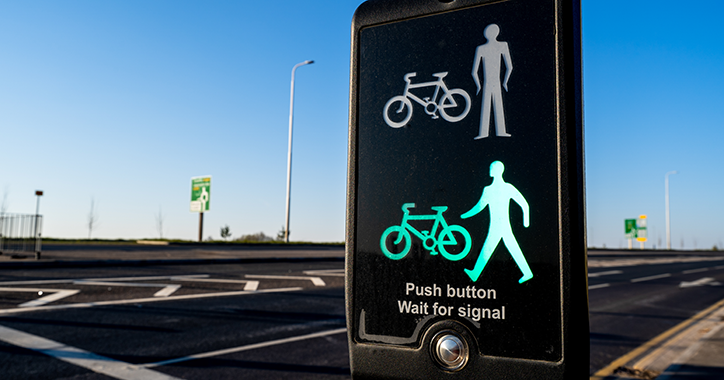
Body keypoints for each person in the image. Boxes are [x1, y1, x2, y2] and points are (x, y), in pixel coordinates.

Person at [461, 161, 533, 283]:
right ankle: (527, 272)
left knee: (495, 248)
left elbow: (524, 204)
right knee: (490, 249)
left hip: (501, 226)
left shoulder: (507, 188)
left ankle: (527, 273)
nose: (489, 170)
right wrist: (465, 215)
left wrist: (526, 221)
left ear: (498, 170)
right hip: (496, 226)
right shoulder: (488, 189)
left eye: (491, 168)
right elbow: (479, 207)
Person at [472, 24, 512, 139]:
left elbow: (474, 71)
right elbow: (509, 67)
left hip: (487, 82)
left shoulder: (482, 48)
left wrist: (478, 85)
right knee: (497, 105)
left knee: (486, 106)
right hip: (495, 81)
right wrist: (505, 81)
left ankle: (484, 133)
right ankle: (499, 131)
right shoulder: (501, 46)